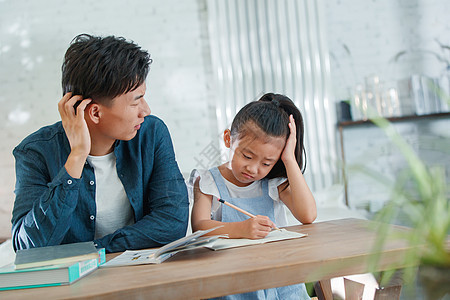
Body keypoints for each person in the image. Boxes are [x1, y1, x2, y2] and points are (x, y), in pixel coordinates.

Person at [11, 34, 189, 253]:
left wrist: (93, 249)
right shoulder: (35, 152)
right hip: (73, 284)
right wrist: (76, 157)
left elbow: (172, 222)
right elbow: (27, 246)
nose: (146, 110)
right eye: (136, 100)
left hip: (140, 272)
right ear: (95, 112)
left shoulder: (150, 133)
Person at [191, 93, 316, 299]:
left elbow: (308, 215)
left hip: (279, 279)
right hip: (231, 283)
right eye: (247, 156)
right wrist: (241, 229)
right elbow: (199, 227)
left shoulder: (273, 183)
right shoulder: (208, 181)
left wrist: (289, 159)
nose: (254, 168)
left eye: (267, 163)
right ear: (228, 139)